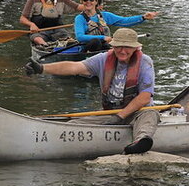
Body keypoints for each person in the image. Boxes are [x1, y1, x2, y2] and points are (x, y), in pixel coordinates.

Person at [24, 28, 158, 154]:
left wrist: (120, 117)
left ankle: (141, 141)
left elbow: (145, 97)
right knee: (74, 124)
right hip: (111, 112)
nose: (122, 51)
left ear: (135, 48)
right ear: (113, 46)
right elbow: (73, 67)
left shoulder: (145, 62)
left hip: (138, 112)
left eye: (127, 47)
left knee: (150, 114)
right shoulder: (103, 59)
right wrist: (41, 69)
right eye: (118, 46)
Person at [74, 0, 158, 51]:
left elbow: (124, 21)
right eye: (85, 0)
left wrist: (143, 17)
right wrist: (102, 37)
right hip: (87, 50)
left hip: (105, 48)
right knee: (96, 41)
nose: (88, 2)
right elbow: (80, 37)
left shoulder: (105, 15)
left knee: (111, 46)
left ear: (96, 2)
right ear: (82, 2)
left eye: (91, 0)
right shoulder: (80, 19)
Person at [19, 0, 83, 46]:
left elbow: (77, 7)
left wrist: (92, 6)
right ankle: (46, 46)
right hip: (39, 30)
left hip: (58, 30)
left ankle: (67, 48)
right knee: (37, 39)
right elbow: (22, 19)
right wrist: (31, 24)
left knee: (69, 40)